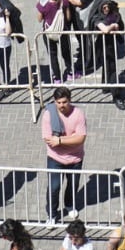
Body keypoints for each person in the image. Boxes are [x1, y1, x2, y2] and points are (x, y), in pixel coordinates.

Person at [41, 86, 88, 224]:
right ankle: (52, 214)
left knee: (72, 185)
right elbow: (49, 140)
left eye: (64, 102)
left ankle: (69, 204)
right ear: (54, 101)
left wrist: (60, 140)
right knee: (54, 188)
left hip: (75, 158)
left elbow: (81, 138)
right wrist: (72, 139)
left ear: (70, 100)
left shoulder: (78, 114)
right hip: (55, 159)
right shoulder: (48, 115)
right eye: (59, 102)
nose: (61, 105)